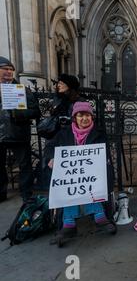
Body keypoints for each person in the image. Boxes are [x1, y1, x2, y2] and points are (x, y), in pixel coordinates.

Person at [47, 102, 116, 241]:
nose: (84, 118)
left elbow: (106, 154)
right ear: (75, 118)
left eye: (88, 115)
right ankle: (69, 222)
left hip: (93, 173)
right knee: (70, 185)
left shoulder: (99, 133)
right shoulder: (64, 133)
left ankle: (99, 214)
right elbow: (49, 148)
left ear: (92, 117)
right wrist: (51, 159)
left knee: (89, 181)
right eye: (80, 115)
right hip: (71, 175)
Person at [0, 56, 41, 203]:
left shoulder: (22, 90)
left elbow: (36, 111)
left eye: (11, 69)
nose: (9, 72)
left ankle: (26, 193)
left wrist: (18, 114)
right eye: (5, 69)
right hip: (0, 135)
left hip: (18, 134)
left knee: (25, 165)